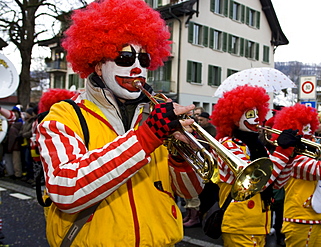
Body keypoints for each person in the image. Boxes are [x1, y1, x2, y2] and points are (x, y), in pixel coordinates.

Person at [36, 0, 203, 246]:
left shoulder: (156, 113)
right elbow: (65, 190)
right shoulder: (64, 116)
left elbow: (189, 193)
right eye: (125, 57)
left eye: (144, 59)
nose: (137, 69)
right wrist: (146, 138)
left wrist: (181, 157)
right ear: (98, 64)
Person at [210, 85, 297, 247]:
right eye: (250, 114)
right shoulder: (228, 145)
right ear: (234, 119)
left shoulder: (257, 145)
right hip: (239, 224)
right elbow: (257, 181)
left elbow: (277, 183)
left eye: (258, 113)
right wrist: (283, 152)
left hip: (259, 223)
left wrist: (290, 156)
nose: (257, 119)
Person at [271, 103, 321, 247]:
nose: (310, 133)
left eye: (309, 126)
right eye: (304, 127)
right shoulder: (293, 156)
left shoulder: (313, 152)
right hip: (300, 220)